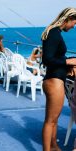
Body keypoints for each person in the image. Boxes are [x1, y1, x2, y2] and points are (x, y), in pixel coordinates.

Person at [41, 7, 76, 151]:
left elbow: (55, 57)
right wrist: (68, 62)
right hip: (53, 81)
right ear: (68, 19)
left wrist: (68, 60)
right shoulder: (54, 34)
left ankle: (54, 146)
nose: (74, 26)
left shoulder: (55, 32)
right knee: (50, 121)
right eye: (74, 23)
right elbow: (47, 59)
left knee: (54, 120)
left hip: (55, 79)